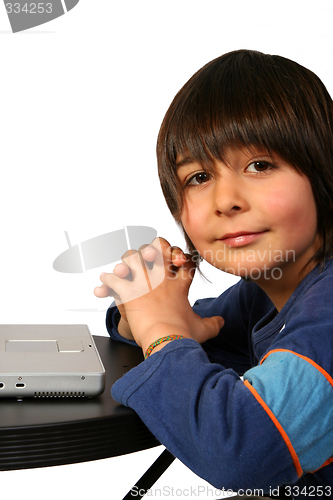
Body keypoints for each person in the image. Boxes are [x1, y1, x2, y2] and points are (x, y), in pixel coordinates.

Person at [94, 50, 333, 498]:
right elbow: (190, 334)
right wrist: (141, 312)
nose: (226, 200)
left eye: (259, 165)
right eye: (199, 176)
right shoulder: (265, 294)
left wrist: (160, 326)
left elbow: (239, 449)